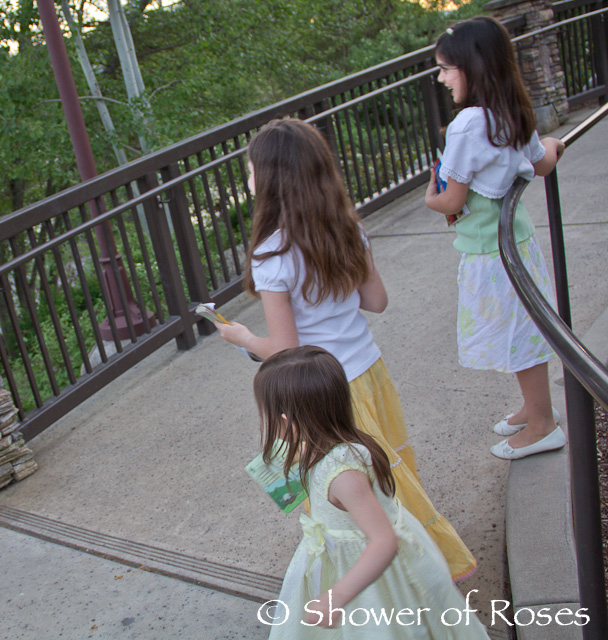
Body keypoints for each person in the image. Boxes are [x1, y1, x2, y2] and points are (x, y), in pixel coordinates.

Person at [217, 117, 476, 581]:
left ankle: (411, 573)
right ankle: (413, 562)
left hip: (324, 390)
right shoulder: (348, 228)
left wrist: (243, 338)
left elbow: (283, 349)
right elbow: (376, 301)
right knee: (389, 473)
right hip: (370, 371)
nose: (248, 178)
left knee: (348, 488)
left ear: (272, 179)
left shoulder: (272, 254)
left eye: (251, 170)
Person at [255, 347, 490, 639]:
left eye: (265, 415)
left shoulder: (343, 476)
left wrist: (337, 596)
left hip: (372, 574)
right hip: (346, 557)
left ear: (286, 421)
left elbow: (383, 541)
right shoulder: (324, 443)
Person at [425, 17, 566, 460]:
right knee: (523, 328)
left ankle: (542, 426)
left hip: (492, 252)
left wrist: (430, 196)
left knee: (515, 333)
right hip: (518, 243)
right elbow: (541, 164)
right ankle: (535, 407)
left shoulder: (468, 124)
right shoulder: (513, 110)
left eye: (446, 69)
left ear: (473, 67)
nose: (442, 78)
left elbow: (452, 200)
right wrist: (554, 143)